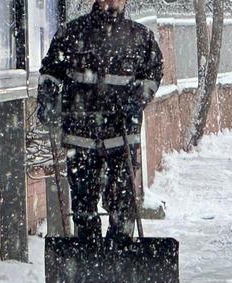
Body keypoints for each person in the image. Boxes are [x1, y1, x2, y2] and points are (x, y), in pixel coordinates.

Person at [37, 0, 163, 241]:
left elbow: (153, 72)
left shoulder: (140, 37)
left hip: (122, 135)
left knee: (122, 201)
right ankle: (87, 253)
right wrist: (48, 98)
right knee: (83, 203)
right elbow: (51, 71)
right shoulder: (72, 33)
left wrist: (137, 99)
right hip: (80, 135)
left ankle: (121, 251)